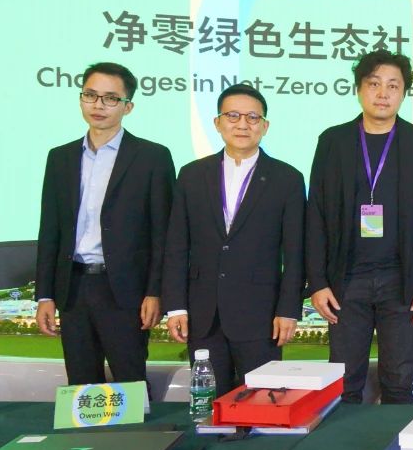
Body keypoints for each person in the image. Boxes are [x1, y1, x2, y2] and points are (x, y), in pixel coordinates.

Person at [305, 50, 413, 404]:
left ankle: (395, 442)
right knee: (343, 384)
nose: (383, 93)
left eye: (393, 86)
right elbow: (316, 215)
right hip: (346, 281)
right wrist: (318, 282)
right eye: (374, 84)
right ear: (359, 89)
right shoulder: (333, 141)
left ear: (403, 93)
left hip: (403, 282)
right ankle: (346, 443)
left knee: (398, 382)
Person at [35, 62, 175, 391]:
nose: (98, 105)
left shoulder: (152, 157)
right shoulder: (60, 158)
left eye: (111, 98)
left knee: (130, 381)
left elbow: (163, 234)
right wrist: (44, 295)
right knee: (81, 383)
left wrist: (155, 291)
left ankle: (135, 428)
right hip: (73, 288)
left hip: (125, 290)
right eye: (91, 95)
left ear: (128, 106)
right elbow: (50, 231)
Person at [162, 84, 305, 397]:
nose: (243, 124)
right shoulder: (192, 175)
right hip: (203, 315)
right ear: (217, 122)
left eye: (253, 117)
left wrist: (289, 309)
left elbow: (295, 253)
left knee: (262, 402)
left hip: (262, 316)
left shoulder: (287, 179)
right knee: (209, 403)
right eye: (233, 116)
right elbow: (176, 246)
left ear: (265, 126)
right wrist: (175, 307)